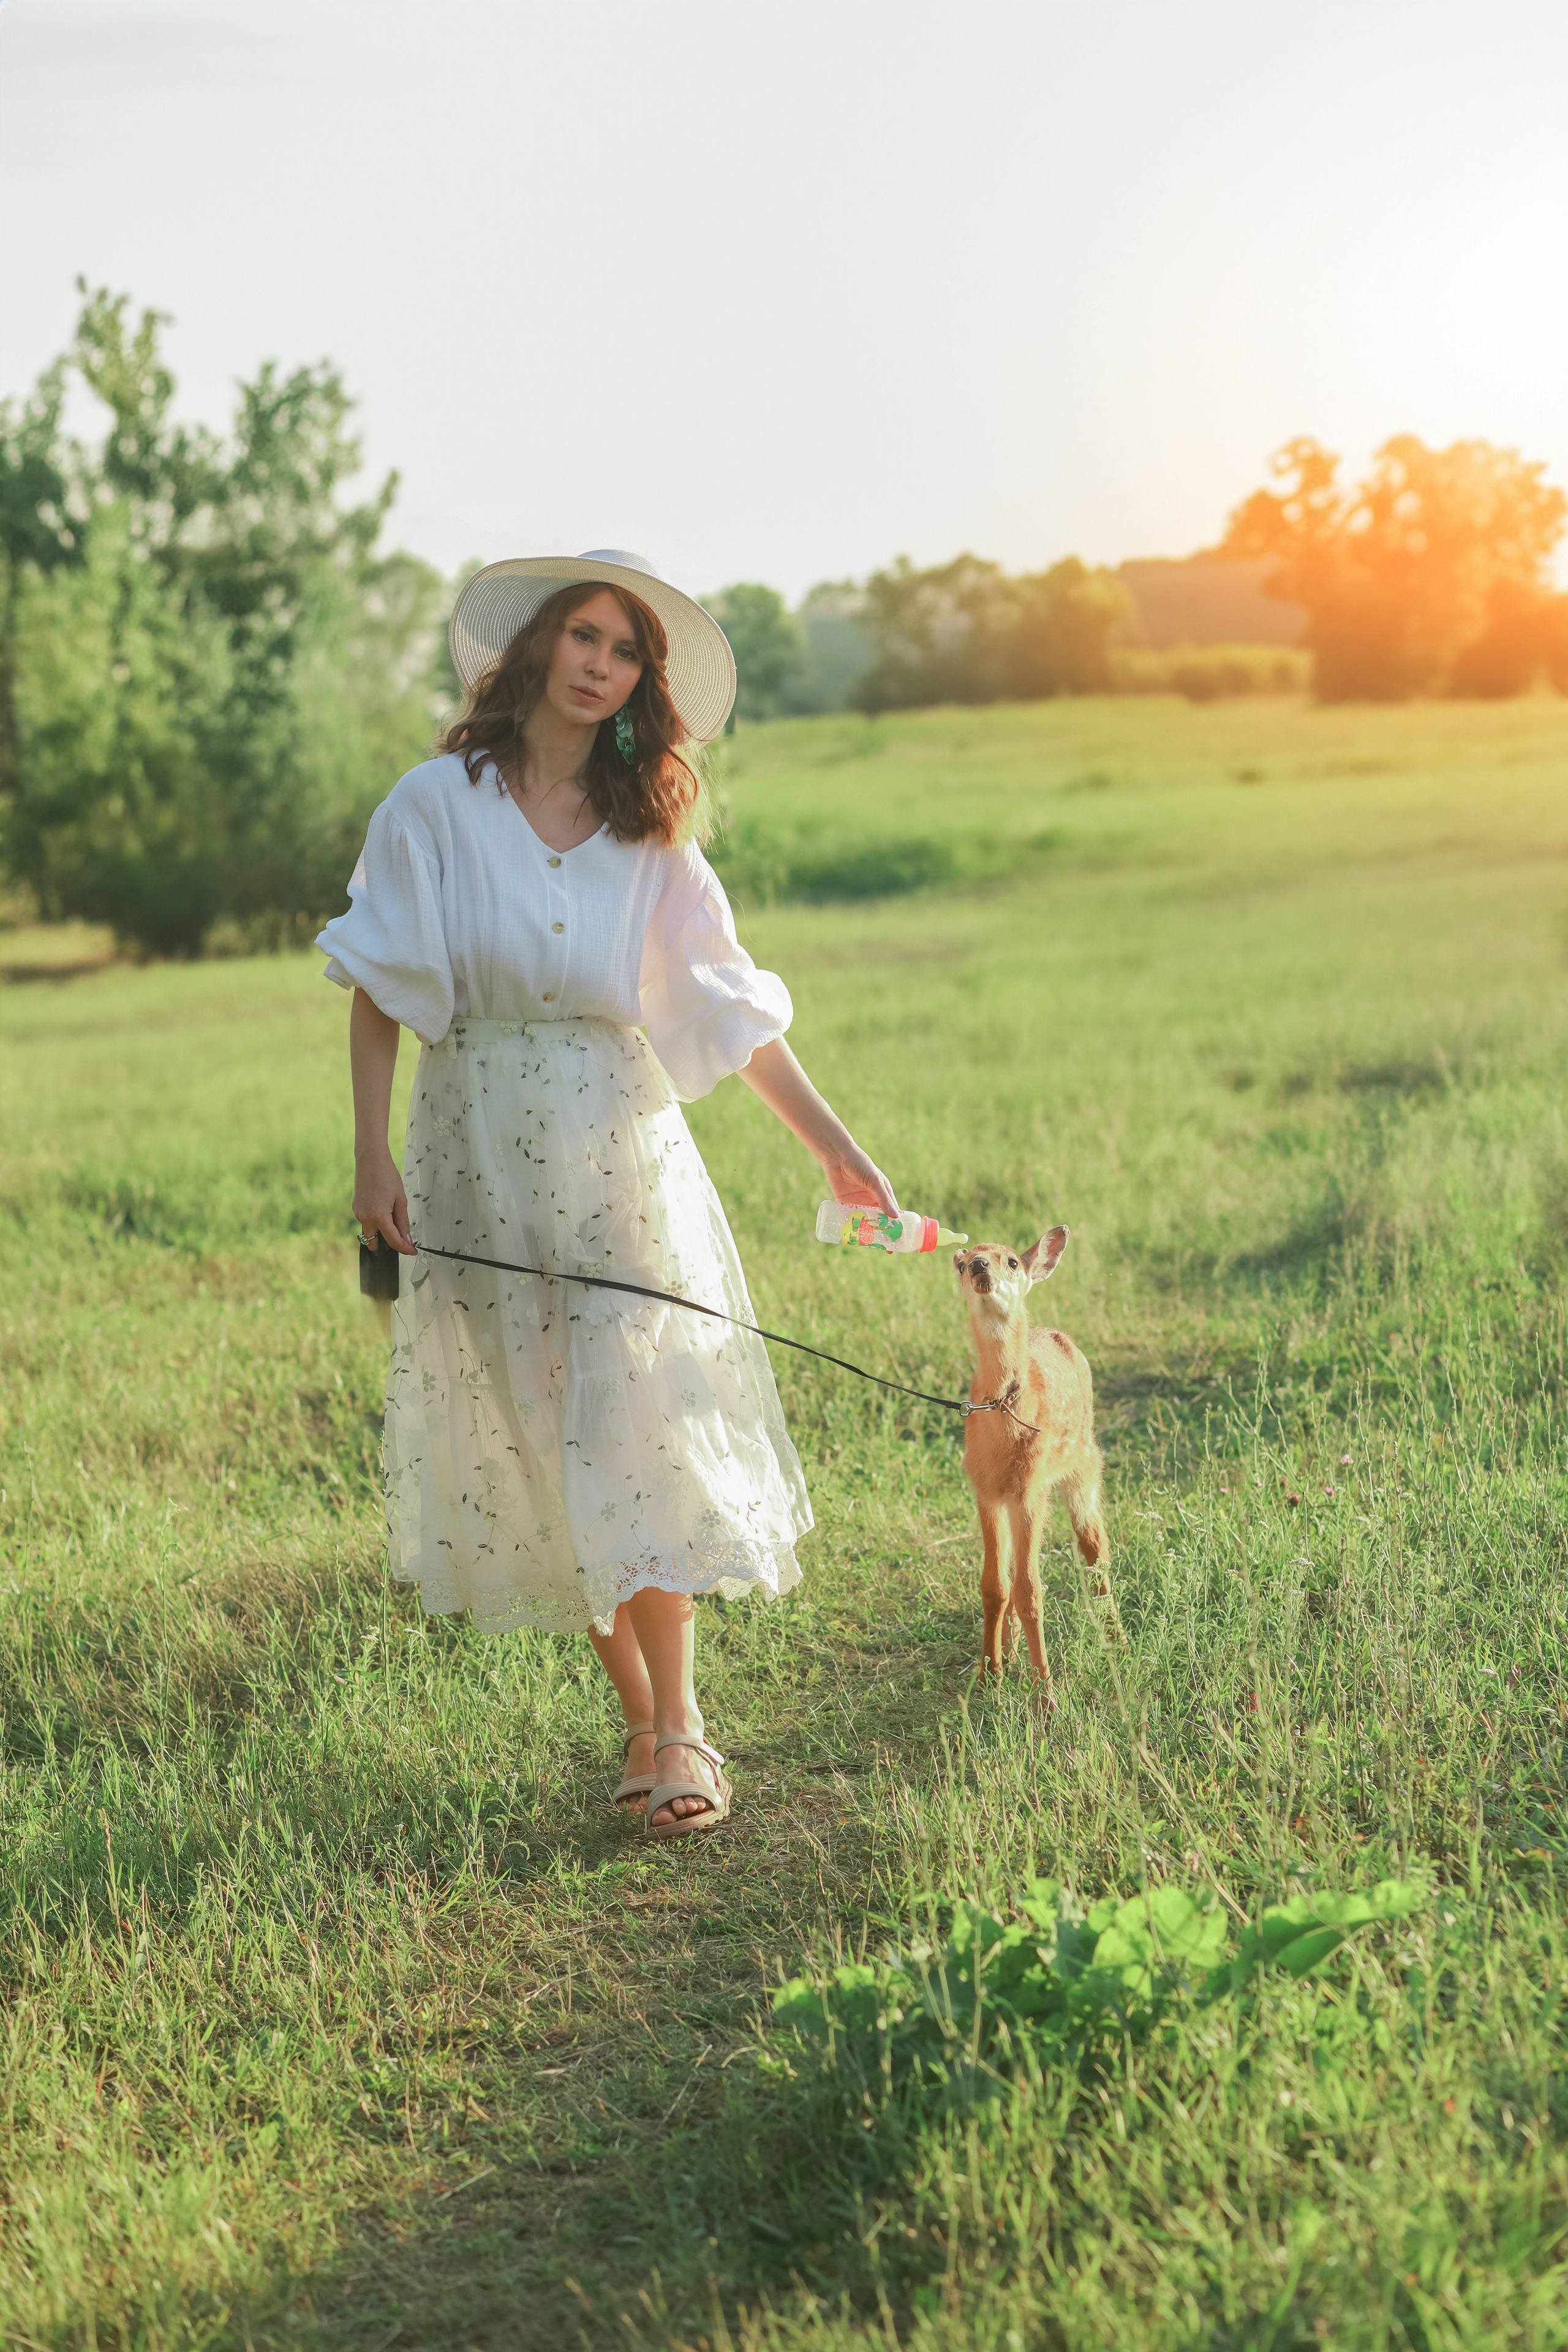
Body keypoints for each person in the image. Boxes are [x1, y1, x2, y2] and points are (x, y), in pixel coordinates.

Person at [318, 551, 895, 1840]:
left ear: (644, 682)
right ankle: (637, 1718)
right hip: (473, 1140)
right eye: (582, 636)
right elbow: (376, 988)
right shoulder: (430, 806)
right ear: (531, 649)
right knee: (537, 1438)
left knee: (636, 1429)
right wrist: (371, 1161)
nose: (599, 663)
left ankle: (681, 1725)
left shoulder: (651, 832)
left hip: (616, 1144)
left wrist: (834, 1149)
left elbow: (727, 1014)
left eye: (625, 651)